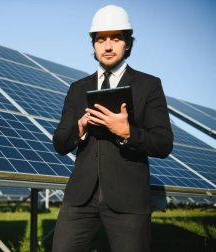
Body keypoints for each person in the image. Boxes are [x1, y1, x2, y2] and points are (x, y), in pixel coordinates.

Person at [51, 5, 173, 252]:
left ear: (127, 43)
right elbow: (60, 143)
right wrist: (81, 127)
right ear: (93, 45)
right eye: (100, 39)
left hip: (128, 201)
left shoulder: (149, 85)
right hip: (79, 200)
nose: (107, 46)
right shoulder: (77, 88)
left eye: (115, 38)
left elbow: (163, 143)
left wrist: (127, 131)